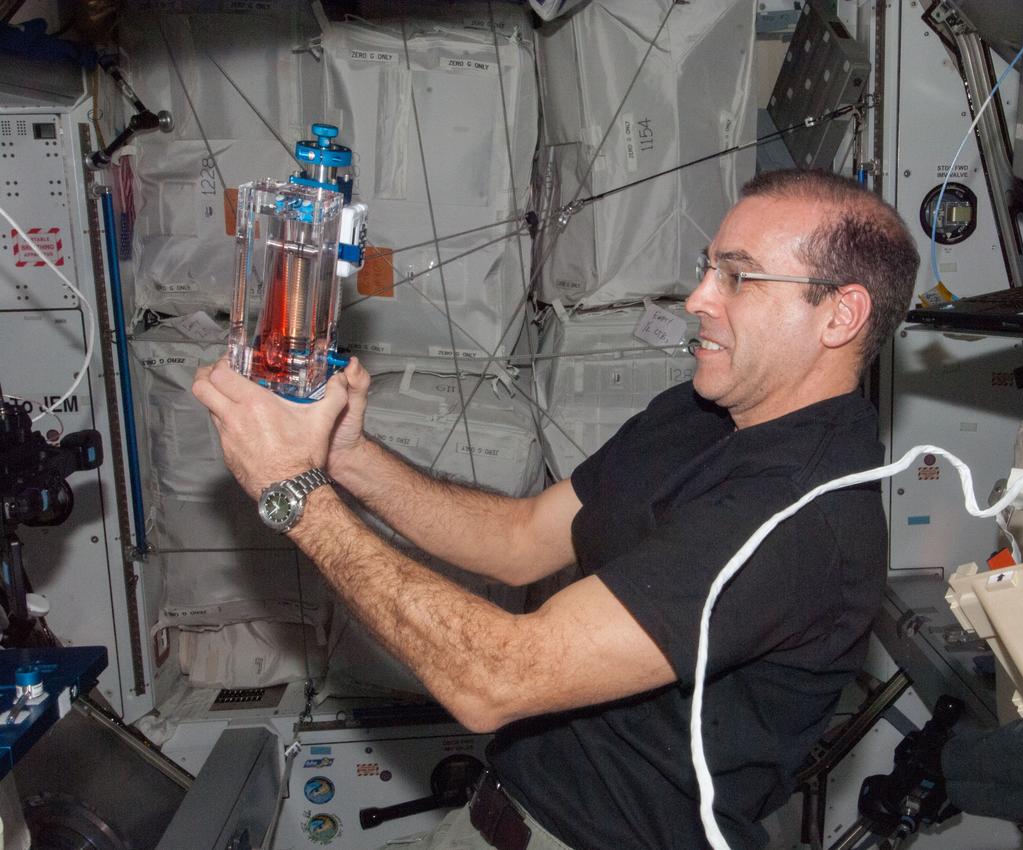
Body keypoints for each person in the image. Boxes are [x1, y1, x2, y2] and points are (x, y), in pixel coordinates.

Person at [193, 168, 920, 850]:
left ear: (839, 315)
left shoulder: (803, 520)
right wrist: (346, 458)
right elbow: (522, 537)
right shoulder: (704, 413)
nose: (698, 298)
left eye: (736, 276)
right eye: (706, 269)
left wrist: (294, 495)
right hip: (499, 810)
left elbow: (497, 679)